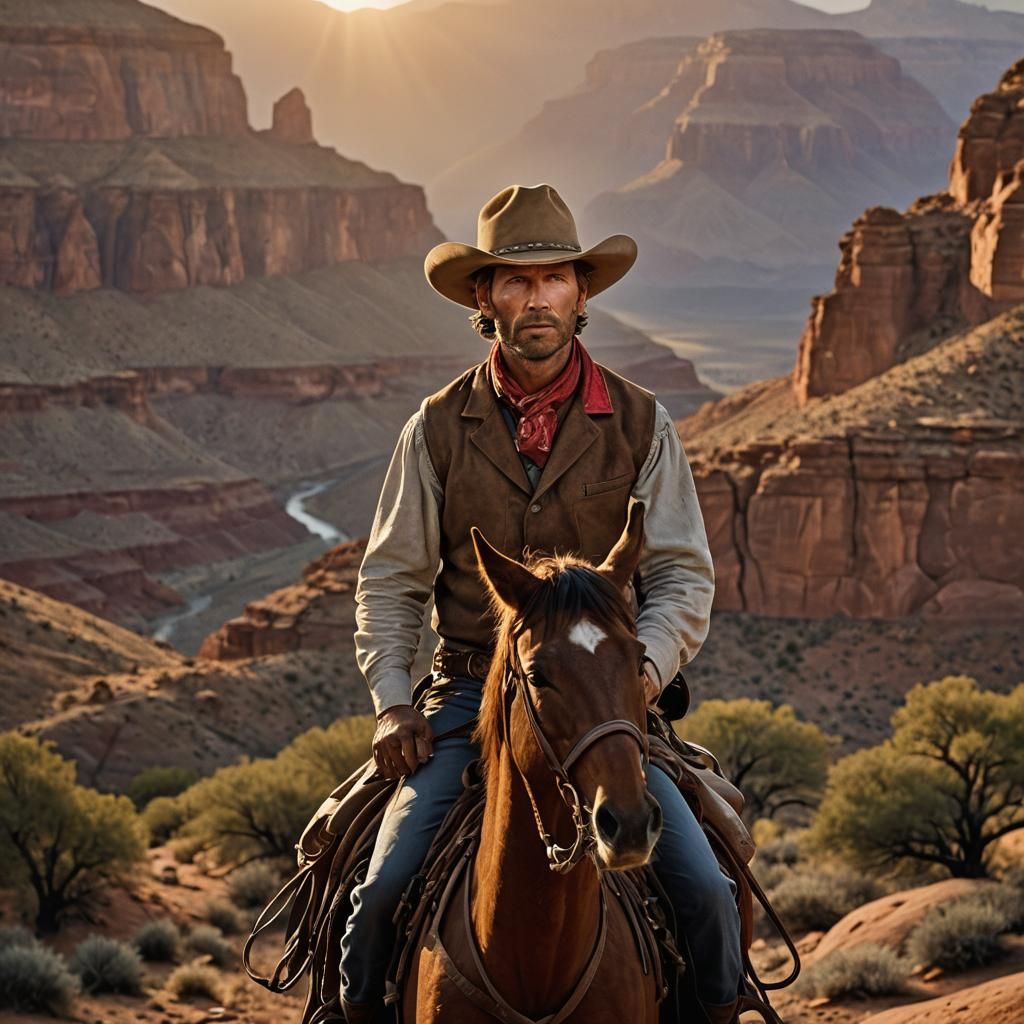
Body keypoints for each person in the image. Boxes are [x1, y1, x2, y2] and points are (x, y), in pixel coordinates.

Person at [340, 183, 743, 1024]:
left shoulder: (641, 422)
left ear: (582, 293)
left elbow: (681, 576)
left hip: (603, 698)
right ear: (483, 298)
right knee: (376, 893)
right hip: (465, 694)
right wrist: (390, 705)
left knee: (708, 892)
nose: (536, 299)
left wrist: (637, 668)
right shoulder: (436, 426)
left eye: (554, 279)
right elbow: (391, 582)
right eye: (515, 283)